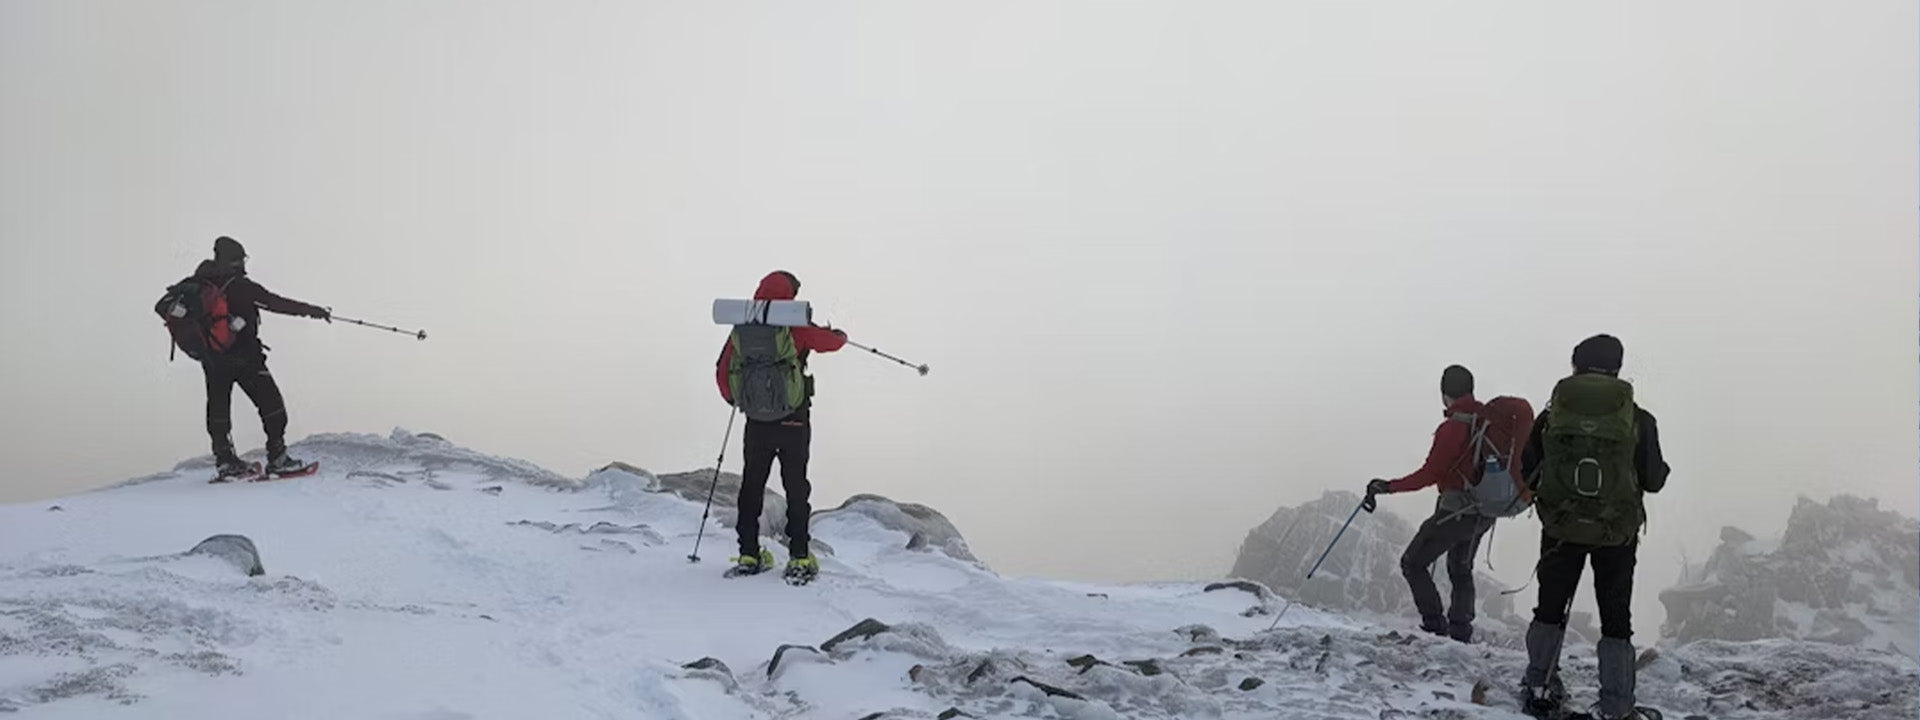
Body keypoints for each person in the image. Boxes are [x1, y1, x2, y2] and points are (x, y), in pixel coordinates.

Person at [1517, 334, 1670, 720]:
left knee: (1551, 605)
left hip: (1561, 525)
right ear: (1618, 369)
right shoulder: (1639, 419)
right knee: (1615, 613)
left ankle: (1540, 685)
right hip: (1616, 531)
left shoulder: (1552, 417)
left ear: (1576, 367)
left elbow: (1529, 471)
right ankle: (1617, 706)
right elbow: (1653, 479)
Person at [714, 270, 847, 581]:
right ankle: (799, 557)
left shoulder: (743, 327)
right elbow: (831, 343)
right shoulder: (794, 325)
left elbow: (723, 373)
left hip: (756, 422)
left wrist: (739, 401)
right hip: (793, 421)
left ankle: (749, 553)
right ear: (790, 294)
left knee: (752, 487)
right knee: (796, 487)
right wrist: (839, 334)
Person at [1365, 364, 1496, 643]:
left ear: (1444, 394)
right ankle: (1460, 633)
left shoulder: (1454, 427)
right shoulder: (1487, 424)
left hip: (1456, 511)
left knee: (1413, 562)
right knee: (1461, 569)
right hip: (1485, 511)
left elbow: (1429, 474)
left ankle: (1435, 626)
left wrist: (1387, 486)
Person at [188, 236, 332, 480]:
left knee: (218, 408)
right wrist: (314, 311)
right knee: (272, 406)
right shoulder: (241, 286)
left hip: (212, 359)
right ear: (236, 260)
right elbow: (276, 303)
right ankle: (277, 458)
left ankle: (225, 461)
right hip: (246, 358)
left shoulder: (199, 285)